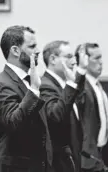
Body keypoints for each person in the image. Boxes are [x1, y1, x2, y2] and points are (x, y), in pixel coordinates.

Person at [0, 26, 53, 172]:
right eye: (32, 46)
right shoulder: (1, 84)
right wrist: (33, 90)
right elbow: (14, 122)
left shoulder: (28, 80)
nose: (38, 50)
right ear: (15, 50)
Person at [40, 40, 88, 172]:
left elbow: (79, 104)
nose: (74, 61)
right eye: (68, 57)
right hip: (59, 164)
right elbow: (56, 116)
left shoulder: (63, 84)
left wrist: (81, 72)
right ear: (53, 59)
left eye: (74, 57)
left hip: (73, 158)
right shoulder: (45, 85)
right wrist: (71, 85)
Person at [75, 43, 108, 172]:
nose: (101, 62)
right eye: (96, 58)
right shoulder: (82, 87)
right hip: (88, 159)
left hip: (101, 154)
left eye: (101, 57)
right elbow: (78, 97)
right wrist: (80, 70)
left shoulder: (98, 86)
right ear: (85, 61)